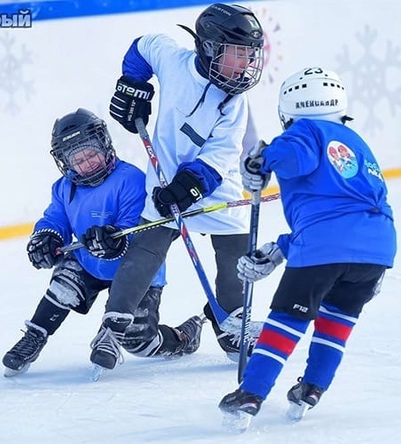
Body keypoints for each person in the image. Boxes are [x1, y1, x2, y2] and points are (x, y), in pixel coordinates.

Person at [218, 67, 397, 429]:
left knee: (288, 319)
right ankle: (312, 389)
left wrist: (261, 159)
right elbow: (344, 211)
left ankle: (250, 393)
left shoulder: (304, 130)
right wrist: (283, 248)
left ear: (289, 110)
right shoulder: (356, 143)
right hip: (376, 248)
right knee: (337, 321)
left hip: (324, 246)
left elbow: (295, 157)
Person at [89, 3, 266, 369]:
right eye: (237, 55)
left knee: (235, 255)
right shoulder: (173, 60)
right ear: (208, 48)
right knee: (146, 248)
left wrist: (188, 189)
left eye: (249, 56)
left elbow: (220, 155)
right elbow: (142, 46)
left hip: (215, 186)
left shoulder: (234, 101)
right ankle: (114, 321)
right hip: (164, 178)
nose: (245, 65)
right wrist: (133, 85)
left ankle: (232, 321)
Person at [2, 108, 204, 377]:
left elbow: (138, 227)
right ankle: (35, 335)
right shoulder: (63, 188)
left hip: (137, 271)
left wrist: (116, 239)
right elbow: (55, 218)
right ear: (65, 163)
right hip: (88, 262)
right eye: (79, 159)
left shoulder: (131, 179)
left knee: (139, 342)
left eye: (91, 153)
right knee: (64, 282)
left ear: (105, 145)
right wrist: (47, 237)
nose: (88, 163)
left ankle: (181, 338)